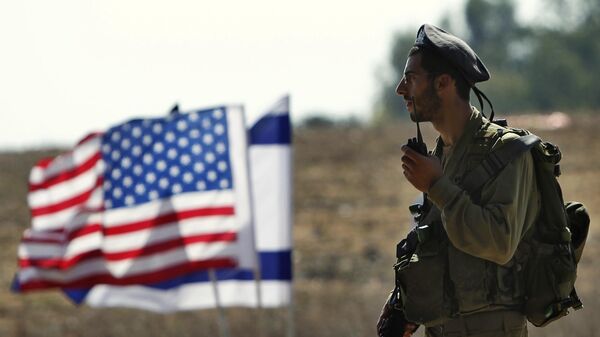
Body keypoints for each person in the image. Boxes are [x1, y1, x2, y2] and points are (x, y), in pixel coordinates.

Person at [376, 24, 540, 337]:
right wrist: (405, 302)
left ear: (443, 83)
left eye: (410, 78)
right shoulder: (441, 155)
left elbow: (499, 243)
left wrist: (437, 186)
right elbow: (441, 243)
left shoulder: (505, 151)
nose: (400, 89)